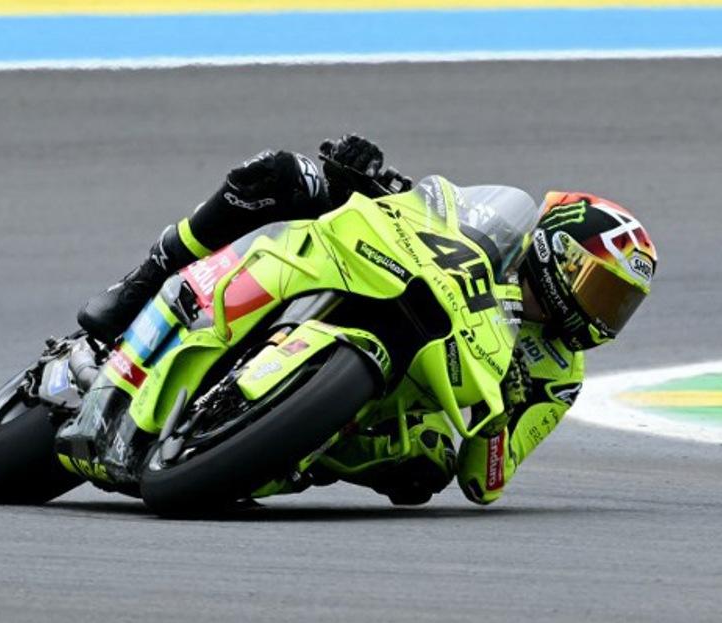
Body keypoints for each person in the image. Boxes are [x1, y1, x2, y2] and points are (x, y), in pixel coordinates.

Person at [78, 135, 658, 506]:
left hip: (413, 396)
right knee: (281, 174)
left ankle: (283, 449)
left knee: (423, 470)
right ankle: (142, 283)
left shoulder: (559, 373)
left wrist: (503, 411)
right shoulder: (501, 226)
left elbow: (487, 481)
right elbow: (432, 207)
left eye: (619, 303)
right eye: (600, 287)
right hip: (385, 274)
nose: (603, 310)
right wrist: (372, 177)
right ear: (558, 252)